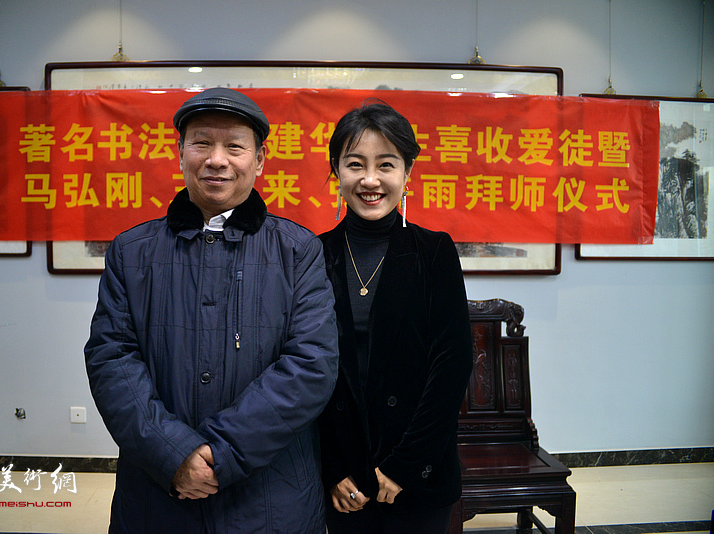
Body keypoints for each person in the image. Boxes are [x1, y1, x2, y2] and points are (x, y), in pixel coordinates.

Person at [84, 87, 339, 533]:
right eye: (202, 143)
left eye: (234, 146)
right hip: (158, 493)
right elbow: (112, 359)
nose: (217, 159)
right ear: (180, 152)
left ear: (259, 159)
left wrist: (222, 455)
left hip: (270, 497)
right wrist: (174, 452)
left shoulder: (298, 251)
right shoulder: (131, 251)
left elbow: (311, 365)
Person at [317, 101, 474, 533]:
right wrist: (333, 468)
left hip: (419, 473)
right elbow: (303, 367)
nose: (370, 180)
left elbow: (452, 365)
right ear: (337, 173)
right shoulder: (312, 255)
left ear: (407, 174)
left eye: (386, 164)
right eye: (355, 164)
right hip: (343, 480)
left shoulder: (434, 252)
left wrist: (405, 466)